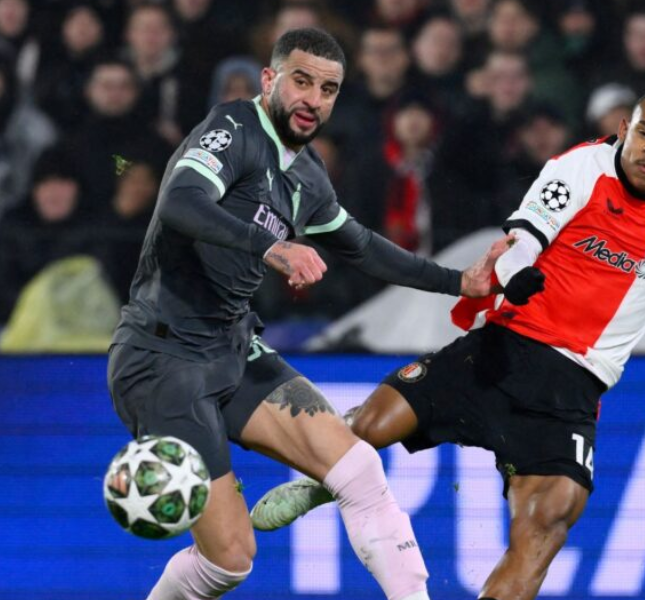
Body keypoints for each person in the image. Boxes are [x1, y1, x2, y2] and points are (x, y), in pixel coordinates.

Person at [251, 88, 645, 599]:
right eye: (644, 133)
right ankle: (321, 477)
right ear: (623, 128)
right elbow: (525, 236)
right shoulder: (577, 168)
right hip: (504, 349)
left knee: (549, 519)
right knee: (373, 425)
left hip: (572, 388)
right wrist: (515, 275)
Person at [106, 27, 513, 600]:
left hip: (232, 349)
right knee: (230, 561)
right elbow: (179, 201)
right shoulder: (234, 128)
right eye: (301, 81)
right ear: (270, 79)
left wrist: (460, 283)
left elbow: (364, 247)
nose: (312, 99)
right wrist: (271, 247)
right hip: (162, 356)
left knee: (360, 471)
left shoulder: (308, 175)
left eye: (327, 89)